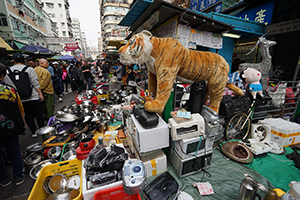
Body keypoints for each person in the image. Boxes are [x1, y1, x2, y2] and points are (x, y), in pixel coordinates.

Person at [6, 53, 44, 138]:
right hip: (33, 96)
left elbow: (9, 86)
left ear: (13, 61)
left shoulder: (8, 71)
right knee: (38, 113)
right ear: (24, 61)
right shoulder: (29, 69)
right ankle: (42, 129)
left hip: (21, 98)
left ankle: (33, 131)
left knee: (28, 115)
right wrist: (40, 94)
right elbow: (35, 82)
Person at [0, 63, 26, 187]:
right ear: (2, 76)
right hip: (10, 127)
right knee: (14, 151)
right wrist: (22, 123)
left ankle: (4, 178)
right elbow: (20, 108)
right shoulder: (10, 90)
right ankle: (18, 176)